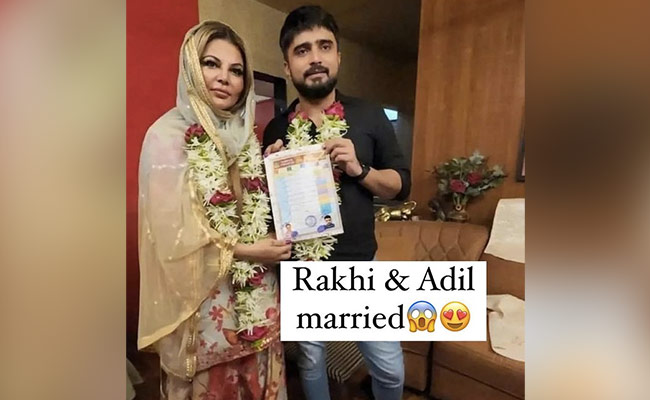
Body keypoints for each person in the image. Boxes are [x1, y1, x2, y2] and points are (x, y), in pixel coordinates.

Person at [262, 6, 411, 400]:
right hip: (301, 269)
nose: (315, 58)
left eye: (324, 46)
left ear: (338, 56)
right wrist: (269, 174)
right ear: (287, 65)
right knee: (311, 360)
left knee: (390, 370)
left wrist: (359, 169)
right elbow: (268, 208)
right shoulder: (276, 128)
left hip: (359, 265)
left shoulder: (369, 115)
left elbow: (400, 186)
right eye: (302, 50)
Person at [138, 21, 292, 400]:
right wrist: (247, 250)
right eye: (211, 64)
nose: (224, 78)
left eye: (236, 70)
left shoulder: (247, 137)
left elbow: (253, 209)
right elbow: (172, 233)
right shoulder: (166, 137)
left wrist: (276, 169)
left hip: (257, 293)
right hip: (203, 304)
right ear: (191, 68)